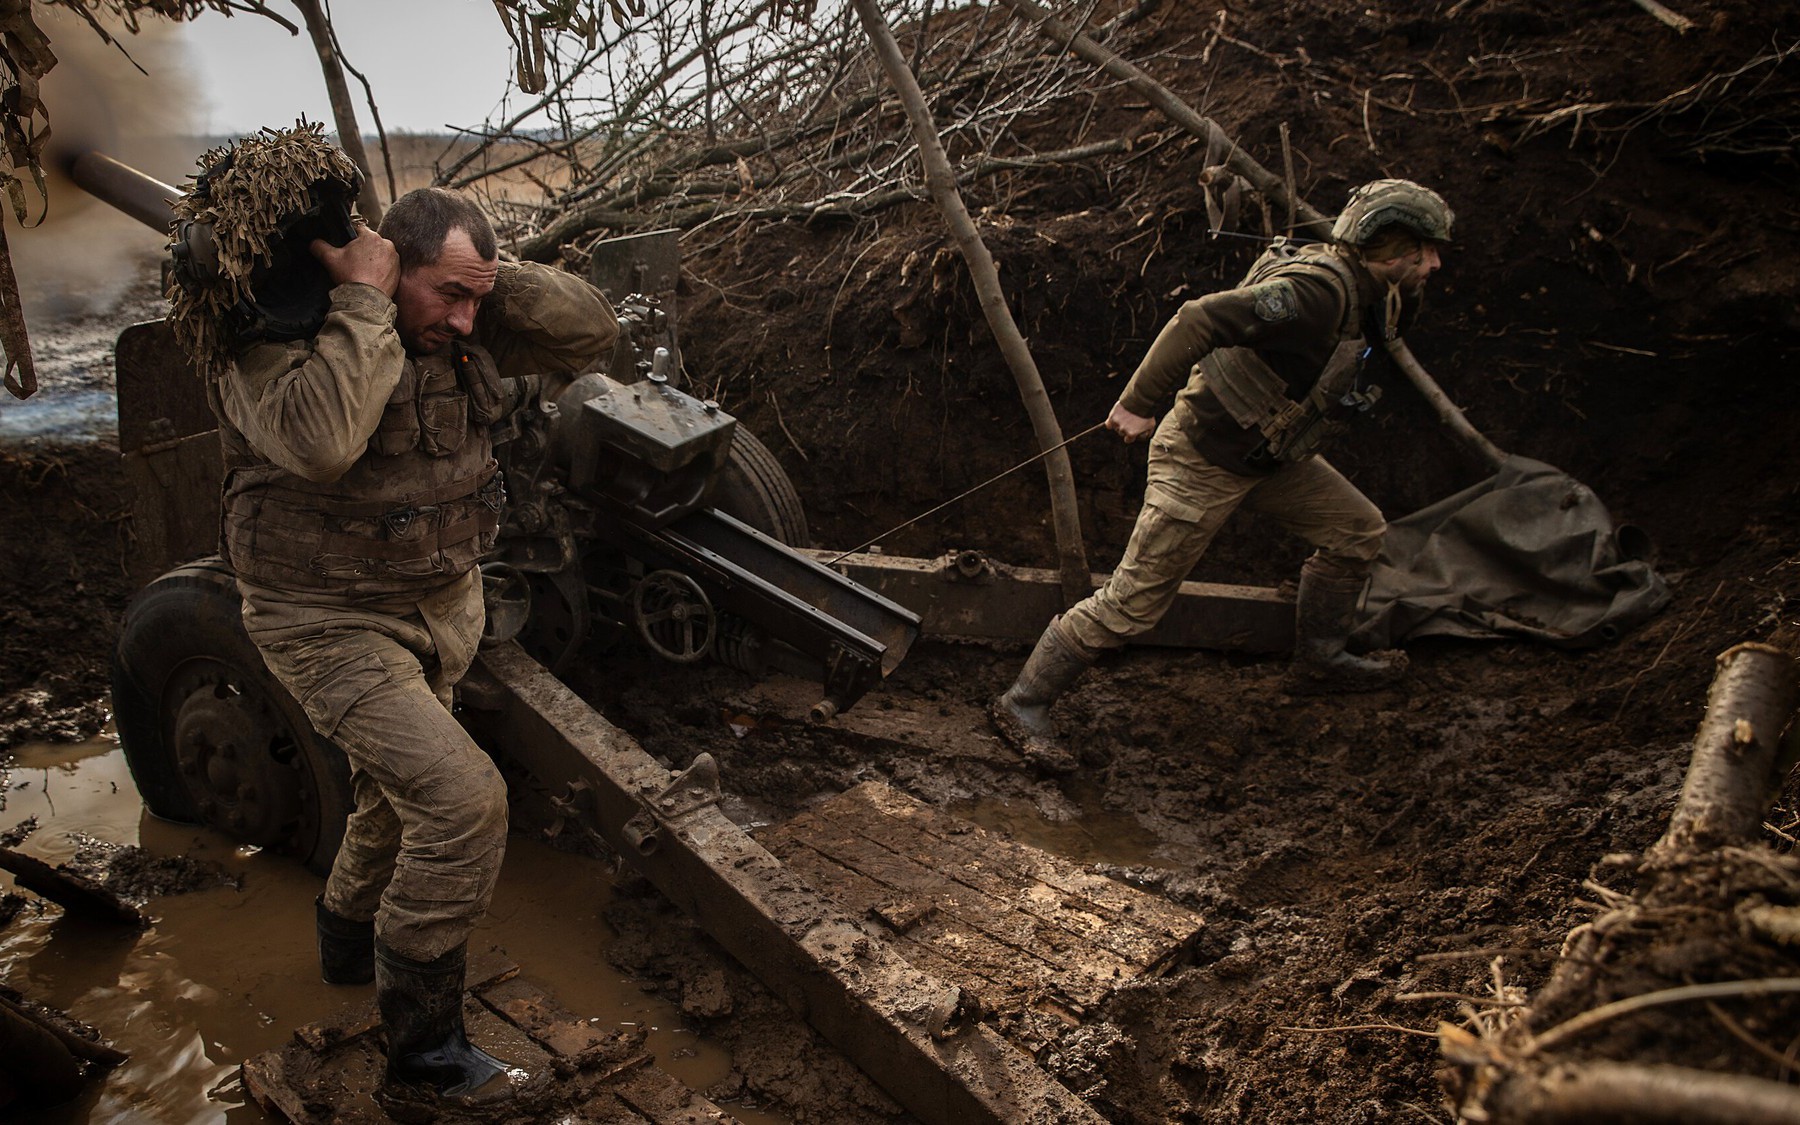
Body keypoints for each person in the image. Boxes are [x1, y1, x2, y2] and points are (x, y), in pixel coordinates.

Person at [207, 183, 617, 1107]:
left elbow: (590, 333)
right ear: (390, 267)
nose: (466, 320)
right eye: (448, 294)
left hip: (438, 614)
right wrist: (362, 298)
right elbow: (318, 441)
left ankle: (344, 944)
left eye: (479, 299)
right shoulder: (273, 335)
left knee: (395, 803)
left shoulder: (466, 322)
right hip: (324, 622)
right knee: (463, 801)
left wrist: (489, 282)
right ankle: (424, 1057)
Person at [991, 179, 1454, 774]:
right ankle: (1022, 701)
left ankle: (1320, 661)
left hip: (1270, 457)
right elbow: (1197, 317)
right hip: (1202, 459)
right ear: (1390, 246)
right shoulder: (1315, 293)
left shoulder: (1376, 290)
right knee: (1132, 604)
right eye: (1426, 251)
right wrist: (1138, 401)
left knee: (1357, 530)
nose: (1436, 264)